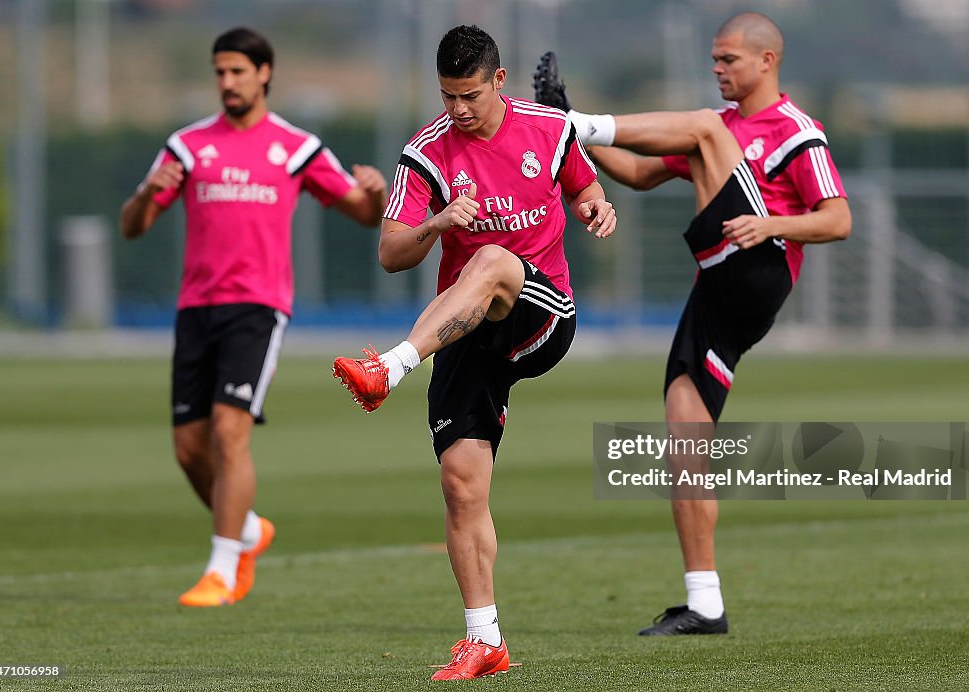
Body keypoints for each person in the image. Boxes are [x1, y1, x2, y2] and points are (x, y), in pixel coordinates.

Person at [533, 11, 851, 636]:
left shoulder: (792, 130)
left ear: (767, 61)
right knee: (684, 437)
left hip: (759, 264)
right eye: (714, 58)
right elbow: (636, 173)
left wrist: (773, 225)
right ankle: (705, 602)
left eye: (728, 59)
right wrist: (577, 143)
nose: (717, 68)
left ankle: (570, 120)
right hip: (719, 289)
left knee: (703, 127)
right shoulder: (713, 136)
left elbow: (837, 218)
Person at [331, 25, 615, 680]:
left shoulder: (548, 129)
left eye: (468, 95)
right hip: (464, 332)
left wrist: (598, 206)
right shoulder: (427, 153)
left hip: (539, 316)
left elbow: (585, 187)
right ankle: (484, 639)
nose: (457, 109)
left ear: (499, 81)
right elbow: (392, 253)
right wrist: (435, 223)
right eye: (447, 96)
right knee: (461, 487)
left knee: (490, 260)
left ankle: (389, 367)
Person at [119, 27, 387, 607]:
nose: (227, 82)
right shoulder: (188, 146)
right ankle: (247, 530)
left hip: (258, 308)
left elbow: (363, 214)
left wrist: (374, 191)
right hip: (196, 308)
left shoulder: (296, 147)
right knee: (189, 449)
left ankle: (222, 567)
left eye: (238, 71)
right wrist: (146, 192)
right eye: (219, 72)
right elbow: (132, 226)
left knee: (228, 430)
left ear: (264, 73)